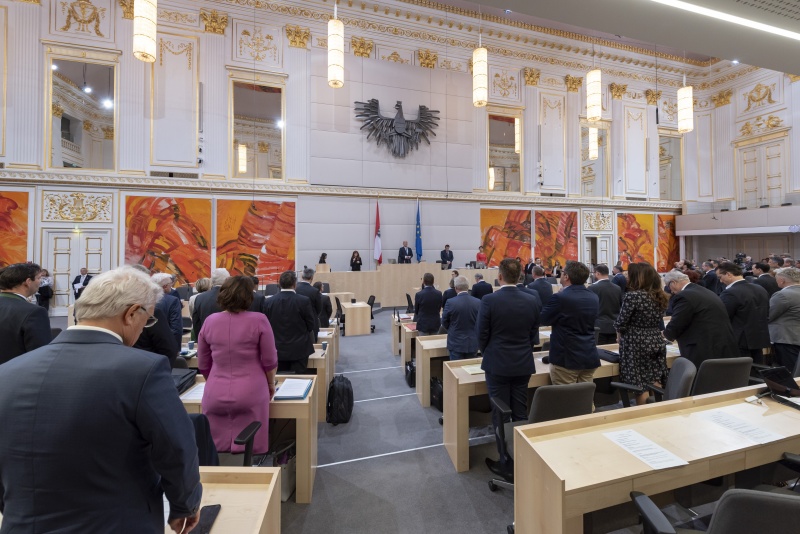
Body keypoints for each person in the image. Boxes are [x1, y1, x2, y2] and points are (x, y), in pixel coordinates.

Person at [0, 267, 202, 533]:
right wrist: (185, 506)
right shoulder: (143, 369)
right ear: (131, 314)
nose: (144, 328)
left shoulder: (7, 372)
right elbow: (176, 449)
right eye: (148, 320)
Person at [198, 276, 278, 456]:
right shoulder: (259, 320)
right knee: (249, 447)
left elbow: (203, 363)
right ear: (249, 296)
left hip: (215, 391)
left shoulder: (210, 321)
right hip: (251, 391)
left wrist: (214, 381)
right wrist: (270, 384)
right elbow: (270, 361)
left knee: (214, 452)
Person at [478, 259, 540, 483]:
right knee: (520, 411)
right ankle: (522, 457)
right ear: (520, 276)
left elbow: (482, 334)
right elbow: (533, 334)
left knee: (500, 412)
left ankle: (505, 461)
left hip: (497, 363)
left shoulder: (489, 300)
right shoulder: (532, 299)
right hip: (523, 362)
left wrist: (488, 351)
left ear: (499, 276)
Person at [614, 263, 670, 405]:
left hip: (635, 342)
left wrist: (619, 336)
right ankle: (657, 411)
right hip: (655, 339)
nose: (627, 277)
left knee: (639, 384)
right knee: (655, 378)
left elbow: (621, 322)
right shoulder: (660, 296)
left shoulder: (632, 296)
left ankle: (644, 414)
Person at [540, 261, 600, 385]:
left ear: (566, 276)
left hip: (566, 358)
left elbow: (543, 319)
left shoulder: (560, 297)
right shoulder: (593, 297)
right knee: (585, 395)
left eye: (562, 273)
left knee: (566, 397)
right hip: (589, 355)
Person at [663, 270, 739, 367]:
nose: (671, 291)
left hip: (703, 349)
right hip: (720, 345)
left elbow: (677, 323)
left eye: (668, 286)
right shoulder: (704, 291)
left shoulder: (684, 296)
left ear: (673, 283)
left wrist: (665, 334)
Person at [717, 261, 770, 361]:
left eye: (720, 277)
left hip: (739, 339)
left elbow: (723, 316)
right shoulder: (760, 289)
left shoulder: (730, 292)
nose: (720, 281)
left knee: (741, 369)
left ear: (728, 274)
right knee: (758, 367)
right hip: (759, 337)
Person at [263, 271, 315, 373]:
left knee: (278, 380)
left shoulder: (268, 302)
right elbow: (310, 325)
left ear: (279, 284)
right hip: (300, 349)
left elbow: (266, 326)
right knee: (299, 379)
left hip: (277, 349)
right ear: (295, 284)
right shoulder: (304, 301)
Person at [0, 263, 51, 364]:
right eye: (38, 278)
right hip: (15, 370)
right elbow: (40, 355)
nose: (40, 282)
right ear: (28, 282)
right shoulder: (34, 312)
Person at [441, 276, 480, 360]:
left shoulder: (450, 302)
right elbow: (480, 322)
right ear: (468, 287)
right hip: (472, 342)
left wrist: (452, 329)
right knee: (470, 367)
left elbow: (444, 321)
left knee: (455, 367)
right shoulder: (478, 302)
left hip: (455, 342)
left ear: (455, 288)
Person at [769, 267, 800, 372]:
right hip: (795, 337)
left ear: (782, 280)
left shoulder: (782, 295)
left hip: (787, 339)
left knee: (789, 371)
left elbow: (769, 315)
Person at [588, 264, 623, 345]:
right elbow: (620, 307)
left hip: (599, 326)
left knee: (600, 351)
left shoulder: (592, 288)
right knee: (612, 350)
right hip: (614, 326)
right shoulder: (617, 288)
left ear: (597, 273)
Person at [152, 272, 183, 346]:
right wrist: (176, 348)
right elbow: (176, 328)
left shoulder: (144, 300)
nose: (171, 286)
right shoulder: (173, 301)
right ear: (165, 286)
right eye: (170, 284)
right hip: (166, 344)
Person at [296, 268, 322, 343]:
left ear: (302, 276)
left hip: (296, 322)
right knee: (313, 345)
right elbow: (319, 308)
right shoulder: (315, 291)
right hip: (312, 323)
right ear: (312, 277)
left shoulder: (295, 289)